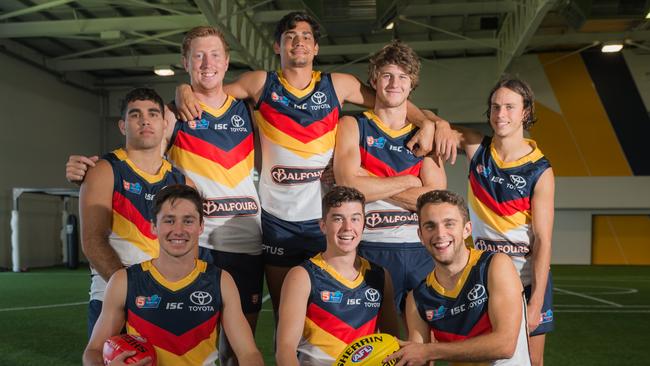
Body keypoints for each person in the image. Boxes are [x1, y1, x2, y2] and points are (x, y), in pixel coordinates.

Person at [173, 11, 458, 322]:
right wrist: (183, 90)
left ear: (316, 48)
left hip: (325, 222)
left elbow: (388, 98)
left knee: (331, 315)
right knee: (287, 316)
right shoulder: (260, 83)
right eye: (290, 37)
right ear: (277, 47)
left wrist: (431, 121)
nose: (299, 42)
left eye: (306, 37)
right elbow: (210, 93)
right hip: (276, 223)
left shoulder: (339, 85)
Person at [68, 27, 264, 362]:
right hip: (181, 257)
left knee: (226, 348)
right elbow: (141, 154)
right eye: (198, 55)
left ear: (228, 61)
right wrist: (88, 171)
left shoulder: (247, 108)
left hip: (242, 241)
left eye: (215, 54)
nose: (207, 62)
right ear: (184, 61)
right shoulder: (171, 118)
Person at [432, 76, 554, 365]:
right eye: (495, 106)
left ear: (526, 112)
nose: (500, 114)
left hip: (524, 279)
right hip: (483, 275)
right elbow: (428, 123)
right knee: (479, 358)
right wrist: (436, 125)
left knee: (532, 362)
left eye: (510, 107)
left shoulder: (540, 170)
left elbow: (543, 241)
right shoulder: (477, 149)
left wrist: (535, 302)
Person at [82, 184, 264, 366]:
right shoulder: (125, 280)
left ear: (201, 226)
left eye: (188, 221)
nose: (178, 230)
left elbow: (249, 354)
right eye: (169, 220)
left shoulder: (220, 280)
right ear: (154, 226)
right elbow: (93, 351)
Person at [333, 41, 446, 322]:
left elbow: (434, 199)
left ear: (411, 85)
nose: (394, 83)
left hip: (420, 250)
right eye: (387, 75)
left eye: (403, 77)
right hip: (370, 246)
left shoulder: (424, 134)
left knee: (423, 346)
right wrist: (410, 180)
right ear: (374, 80)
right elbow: (348, 186)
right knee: (374, 343)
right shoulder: (352, 125)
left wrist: (370, 180)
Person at [79, 88, 189, 336]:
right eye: (135, 115)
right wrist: (130, 290)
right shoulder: (105, 170)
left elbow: (186, 245)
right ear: (122, 126)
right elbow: (93, 241)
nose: (145, 120)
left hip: (167, 296)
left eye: (152, 114)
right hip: (112, 296)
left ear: (164, 124)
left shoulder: (180, 181)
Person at [386, 190, 530, 366]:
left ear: (467, 229)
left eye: (449, 224)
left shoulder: (494, 265)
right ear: (420, 236)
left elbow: (505, 345)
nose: (440, 234)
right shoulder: (418, 298)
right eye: (430, 226)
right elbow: (417, 358)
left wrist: (430, 351)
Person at [275, 186, 399, 366]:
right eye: (338, 218)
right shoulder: (302, 276)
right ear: (323, 226)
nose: (348, 227)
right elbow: (285, 350)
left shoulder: (379, 276)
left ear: (364, 224)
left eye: (355, 219)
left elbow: (392, 341)